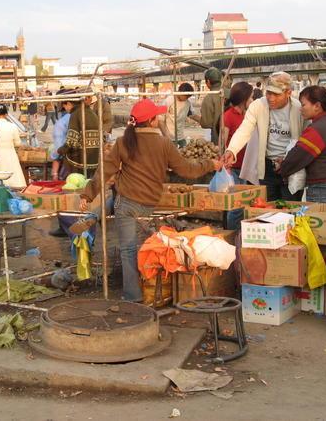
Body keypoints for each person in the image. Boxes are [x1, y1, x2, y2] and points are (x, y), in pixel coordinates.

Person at [78, 99, 221, 302]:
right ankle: (95, 216)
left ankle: (132, 297)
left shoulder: (123, 142)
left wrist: (87, 194)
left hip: (125, 203)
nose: (160, 118)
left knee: (128, 249)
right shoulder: (164, 144)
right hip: (147, 204)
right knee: (136, 242)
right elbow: (187, 170)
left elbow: (105, 170)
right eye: (158, 116)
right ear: (152, 121)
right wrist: (210, 164)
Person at [223, 71, 306, 201]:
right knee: (267, 210)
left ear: (288, 93)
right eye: (268, 93)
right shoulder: (258, 106)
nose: (271, 98)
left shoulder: (299, 109)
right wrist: (231, 150)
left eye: (276, 94)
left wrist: (288, 160)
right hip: (266, 167)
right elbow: (244, 129)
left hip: (290, 166)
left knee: (290, 209)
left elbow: (306, 139)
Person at [279, 86, 326, 204]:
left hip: (324, 188)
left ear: (317, 106)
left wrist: (282, 167)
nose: (301, 109)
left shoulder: (317, 129)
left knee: (316, 221)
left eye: (304, 105)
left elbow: (298, 157)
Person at [58, 92, 101, 174]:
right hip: (95, 160)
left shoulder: (75, 114)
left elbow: (72, 141)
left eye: (65, 107)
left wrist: (61, 150)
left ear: (69, 103)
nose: (66, 110)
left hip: (81, 161)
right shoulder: (91, 112)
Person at [223, 82, 254, 183]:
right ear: (243, 99)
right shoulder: (228, 116)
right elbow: (223, 143)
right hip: (232, 168)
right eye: (250, 98)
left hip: (244, 167)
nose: (252, 100)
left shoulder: (248, 115)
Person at [0, 104, 27, 188]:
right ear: (6, 114)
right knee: (14, 181)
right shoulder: (12, 126)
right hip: (10, 155)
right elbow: (18, 143)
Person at [159, 82, 202, 146]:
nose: (187, 98)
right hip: (169, 138)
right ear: (180, 92)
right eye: (186, 96)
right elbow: (160, 121)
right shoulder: (168, 101)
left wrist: (204, 121)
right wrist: (166, 136)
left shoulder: (188, 103)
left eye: (188, 96)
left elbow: (192, 115)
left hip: (181, 137)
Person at [50, 89, 76, 181]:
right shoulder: (88, 115)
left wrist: (55, 173)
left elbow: (59, 147)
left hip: (70, 162)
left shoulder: (63, 121)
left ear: (67, 103)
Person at [200, 67, 223, 144]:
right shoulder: (230, 92)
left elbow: (206, 123)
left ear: (208, 82)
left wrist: (196, 118)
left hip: (218, 138)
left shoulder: (209, 98)